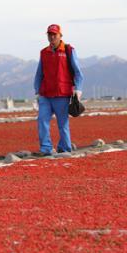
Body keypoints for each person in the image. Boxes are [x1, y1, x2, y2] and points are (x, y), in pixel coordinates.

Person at [34, 24, 84, 156]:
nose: (52, 37)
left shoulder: (68, 50)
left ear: (60, 35)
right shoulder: (44, 52)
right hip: (45, 94)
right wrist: (37, 92)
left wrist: (78, 90)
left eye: (54, 34)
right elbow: (39, 74)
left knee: (63, 124)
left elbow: (78, 73)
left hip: (62, 94)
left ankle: (65, 148)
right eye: (49, 34)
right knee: (42, 121)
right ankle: (46, 149)